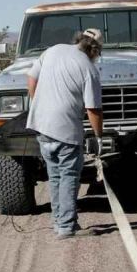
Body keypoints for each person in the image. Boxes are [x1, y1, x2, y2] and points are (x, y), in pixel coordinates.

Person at [26, 28, 103, 239]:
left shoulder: (53, 51)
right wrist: (98, 137)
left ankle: (60, 222)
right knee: (69, 175)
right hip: (66, 129)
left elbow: (31, 80)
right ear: (95, 49)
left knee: (55, 175)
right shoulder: (88, 68)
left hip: (41, 125)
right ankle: (67, 227)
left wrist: (40, 105)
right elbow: (93, 109)